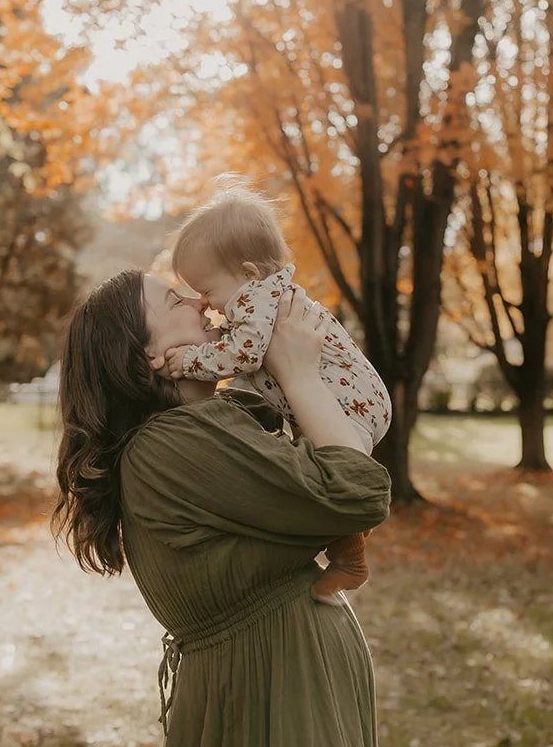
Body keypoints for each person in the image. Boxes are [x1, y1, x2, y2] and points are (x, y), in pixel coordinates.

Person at [53, 269, 403, 747]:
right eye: (173, 300)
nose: (197, 301)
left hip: (280, 678)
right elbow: (356, 493)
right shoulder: (173, 444)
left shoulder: (212, 424)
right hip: (273, 689)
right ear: (150, 357)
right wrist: (296, 373)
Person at [161, 186, 392, 600]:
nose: (207, 305)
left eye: (208, 290)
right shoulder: (261, 302)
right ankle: (349, 557)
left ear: (248, 274)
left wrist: (190, 360)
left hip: (349, 403)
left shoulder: (260, 298)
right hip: (344, 400)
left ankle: (351, 546)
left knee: (335, 480)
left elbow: (243, 356)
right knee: (317, 475)